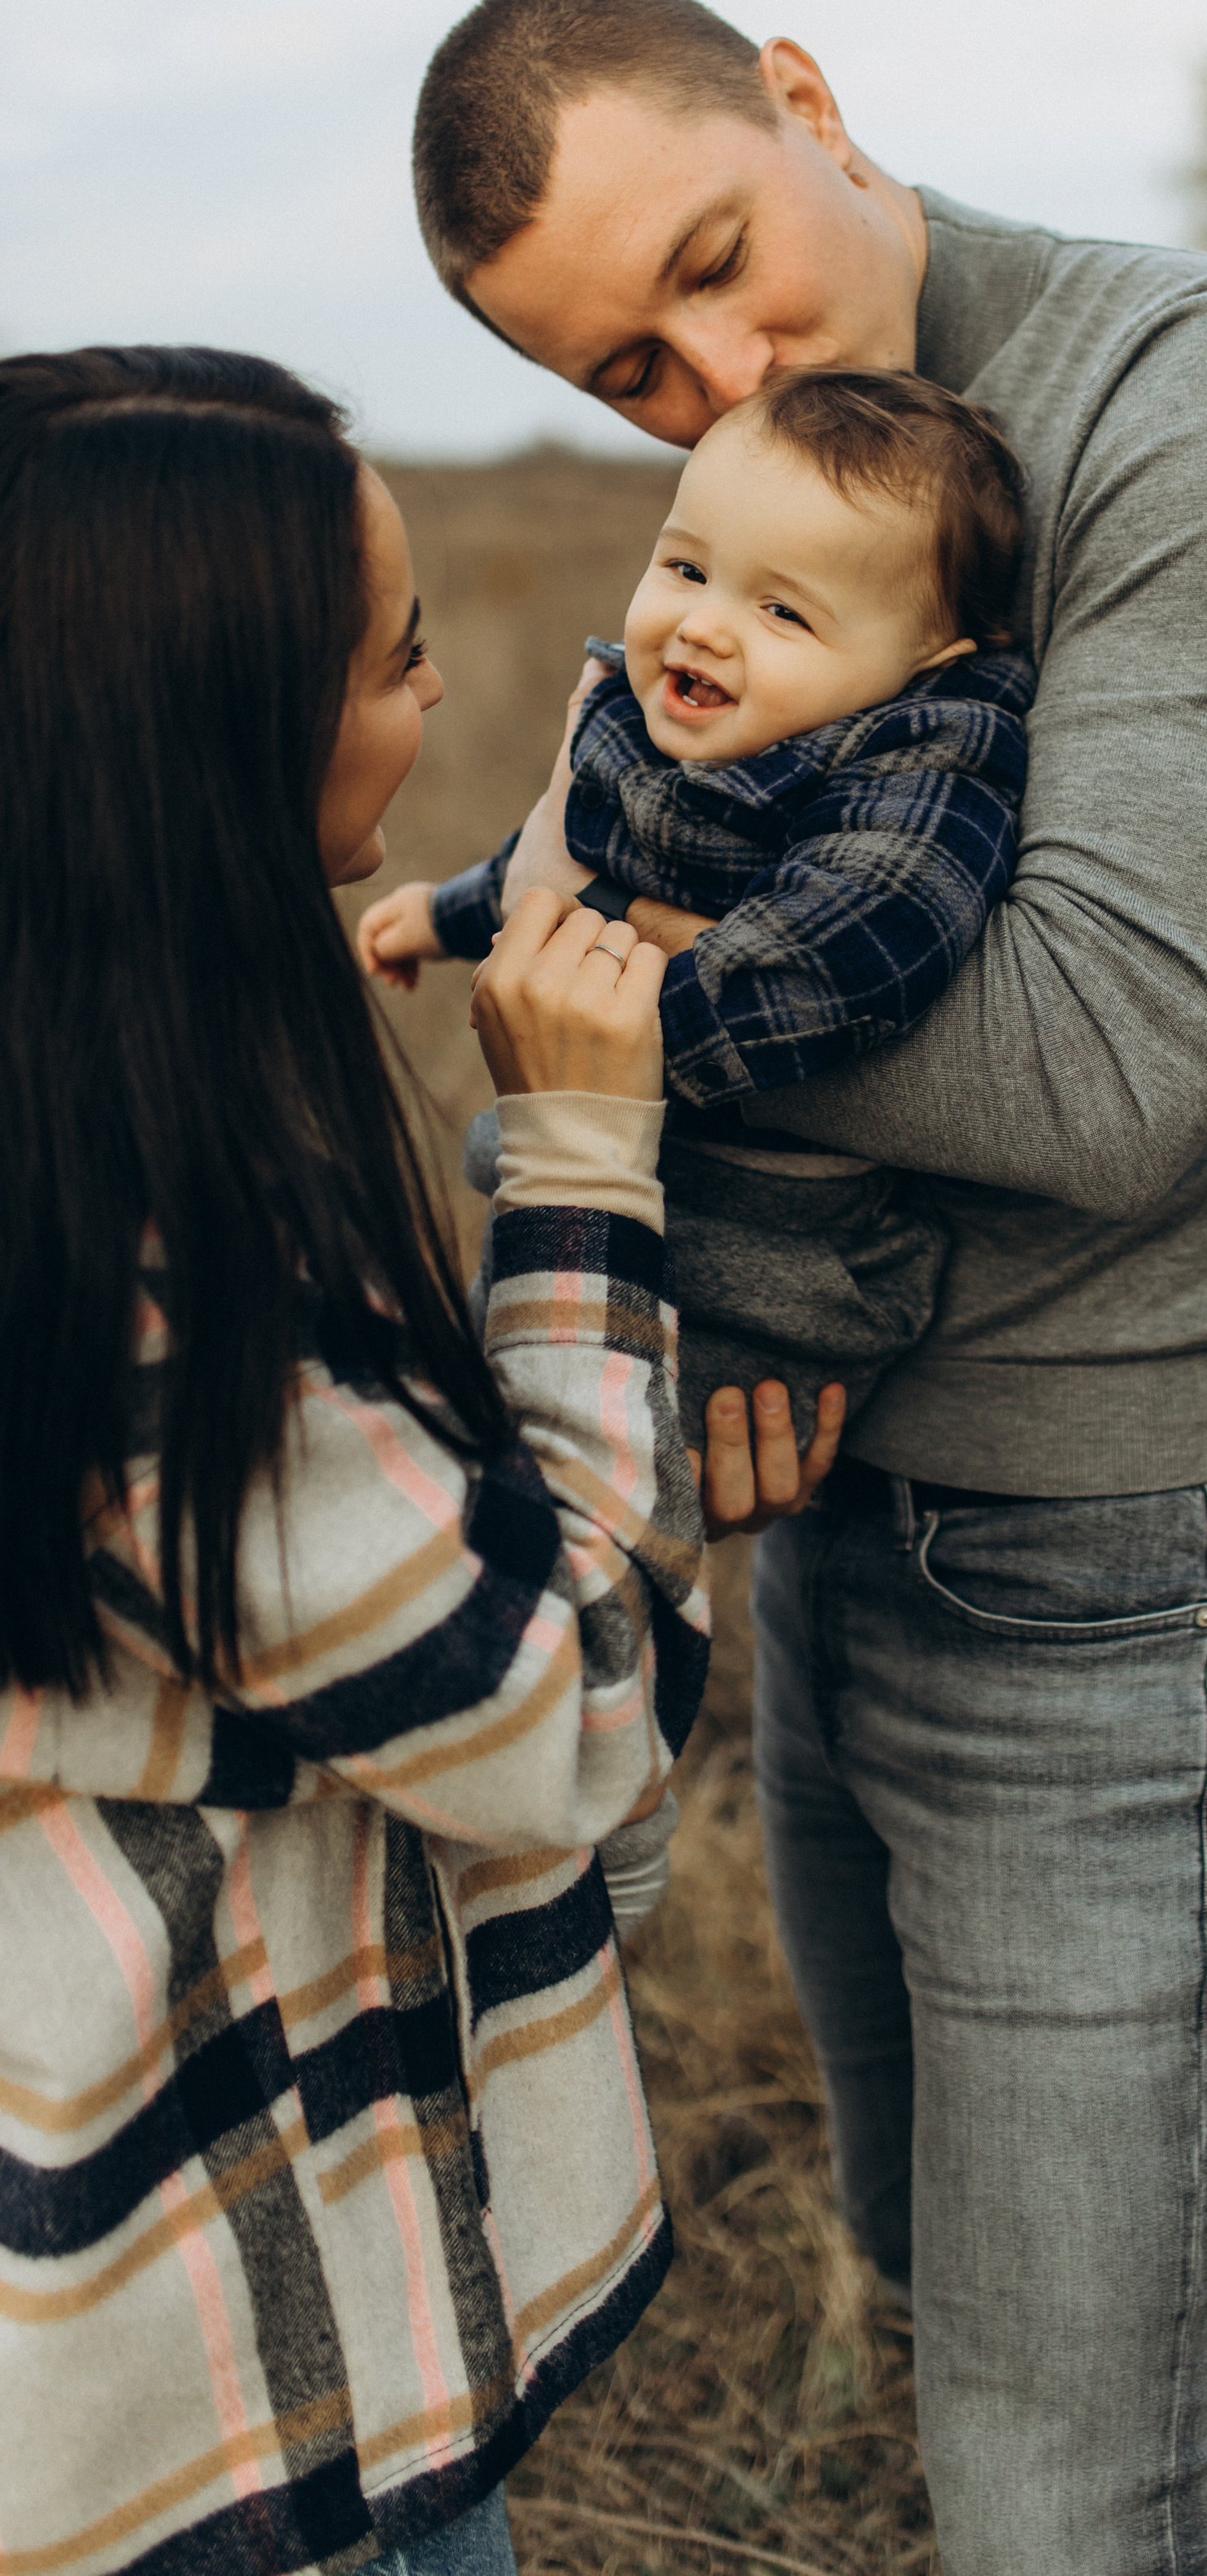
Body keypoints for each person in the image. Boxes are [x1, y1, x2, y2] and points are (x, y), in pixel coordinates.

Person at [410, 0, 1207, 2576]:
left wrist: (587, 981)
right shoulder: (760, 490)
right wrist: (728, 1263)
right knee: (923, 2305)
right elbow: (632, 874)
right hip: (823, 1518)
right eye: (631, 373)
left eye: (729, 256)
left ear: (804, 91)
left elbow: (1104, 1062)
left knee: (1064, 2500)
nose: (721, 363)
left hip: (1113, 1570)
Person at [0, 345, 829, 2576]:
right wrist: (580, 1179)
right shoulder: (167, 1277)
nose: (445, 702)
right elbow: (559, 1733)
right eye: (399, 653)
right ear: (204, 732)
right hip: (239, 2407)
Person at [355, 366, 1035, 1451]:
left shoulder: (923, 764)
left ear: (926, 660)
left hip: (773, 1263)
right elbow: (573, 870)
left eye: (781, 610)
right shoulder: (650, 710)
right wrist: (446, 916)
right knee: (477, 1409)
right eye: (686, 567)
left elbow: (844, 958)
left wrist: (597, 1023)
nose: (704, 627)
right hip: (609, 1191)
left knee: (553, 1462)